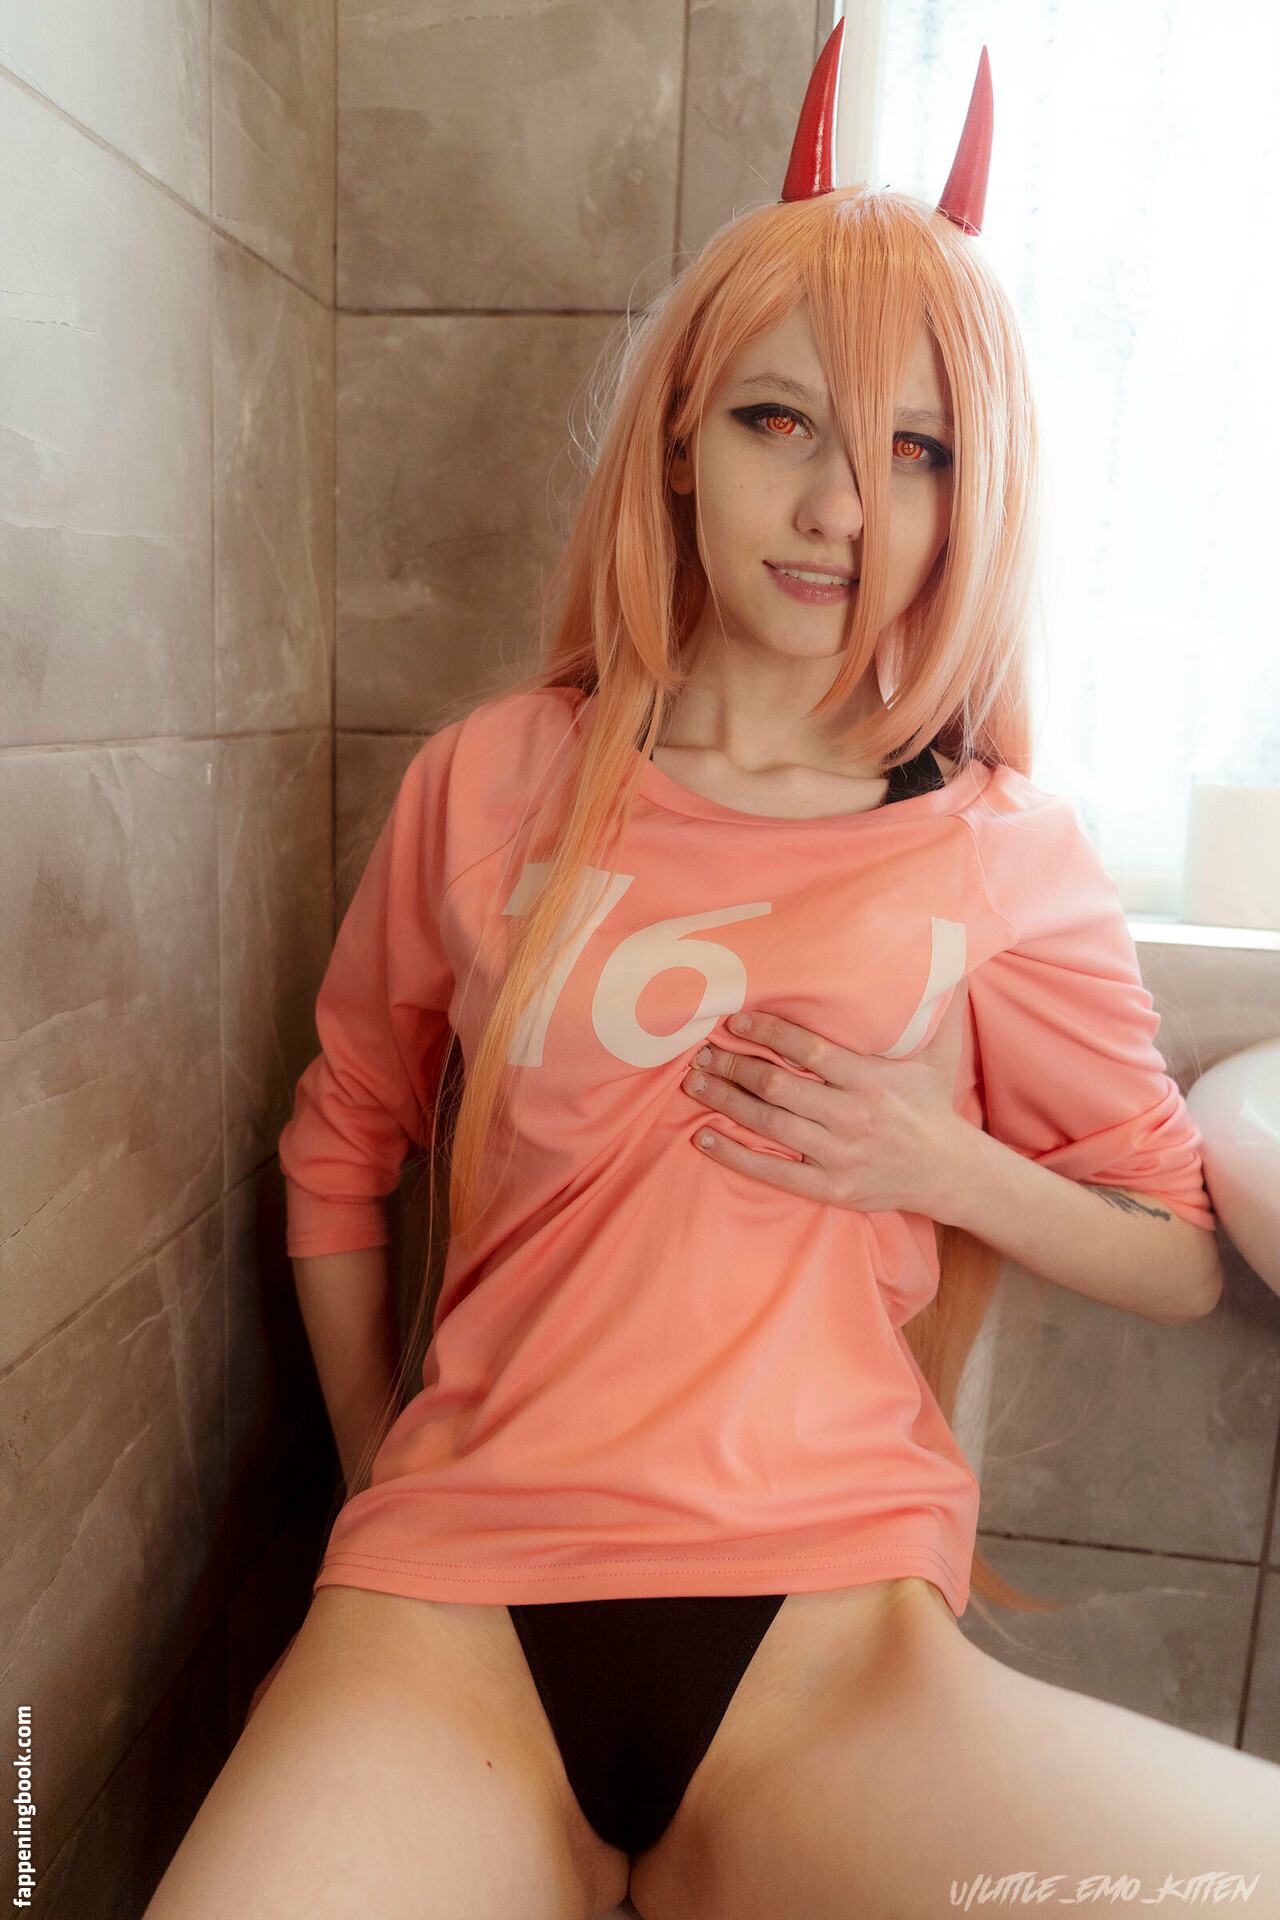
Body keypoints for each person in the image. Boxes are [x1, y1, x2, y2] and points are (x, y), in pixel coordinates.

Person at [143, 26, 1280, 1920]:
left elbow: (1175, 1247)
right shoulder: (490, 779)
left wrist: (940, 1161)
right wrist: (370, 1496)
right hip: (448, 1615)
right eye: (781, 422)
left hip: (829, 1650)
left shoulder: (1003, 847)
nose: (844, 508)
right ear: (680, 438)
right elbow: (339, 1147)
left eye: (916, 450)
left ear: (970, 496)